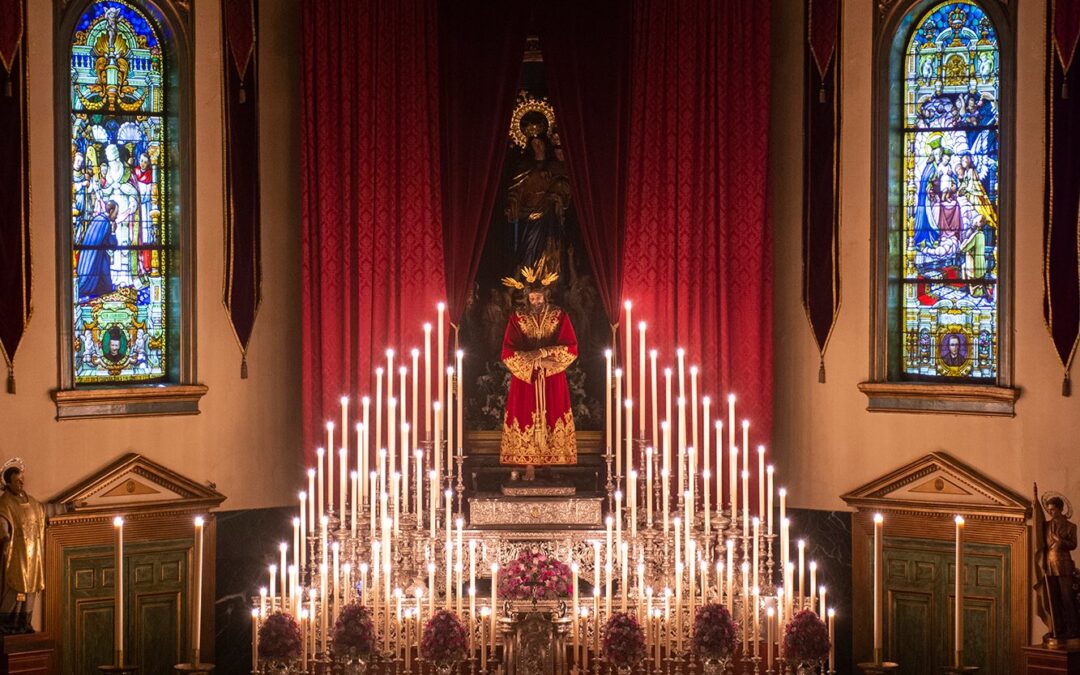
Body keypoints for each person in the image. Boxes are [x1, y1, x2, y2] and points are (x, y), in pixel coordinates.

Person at [499, 258, 578, 478]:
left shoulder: (559, 315)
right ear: (527, 298)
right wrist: (536, 362)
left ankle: (551, 464)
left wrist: (543, 354)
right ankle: (528, 465)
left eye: (539, 297)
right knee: (525, 415)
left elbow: (571, 346)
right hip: (527, 379)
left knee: (553, 414)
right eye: (532, 297)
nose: (536, 301)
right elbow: (508, 351)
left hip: (552, 377)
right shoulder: (518, 317)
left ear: (546, 296)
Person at [0, 459, 45, 634]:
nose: (21, 483)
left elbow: (45, 510)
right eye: (17, 481)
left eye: (22, 480)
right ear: (8, 482)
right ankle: (8, 623)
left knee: (30, 590)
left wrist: (70, 507)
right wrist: (4, 534)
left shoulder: (32, 501)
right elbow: (2, 522)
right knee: (15, 588)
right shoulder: (5, 503)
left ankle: (24, 622)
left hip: (32, 555)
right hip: (16, 555)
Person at [1034, 485, 1080, 642]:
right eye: (1048, 510)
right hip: (1049, 565)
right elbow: (1042, 543)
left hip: (1064, 564)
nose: (1050, 512)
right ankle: (1057, 628)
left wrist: (1061, 541)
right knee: (1054, 599)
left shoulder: (1070, 526)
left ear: (1060, 509)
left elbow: (1073, 544)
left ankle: (1073, 629)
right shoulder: (1046, 526)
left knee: (1067, 597)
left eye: (1053, 509)